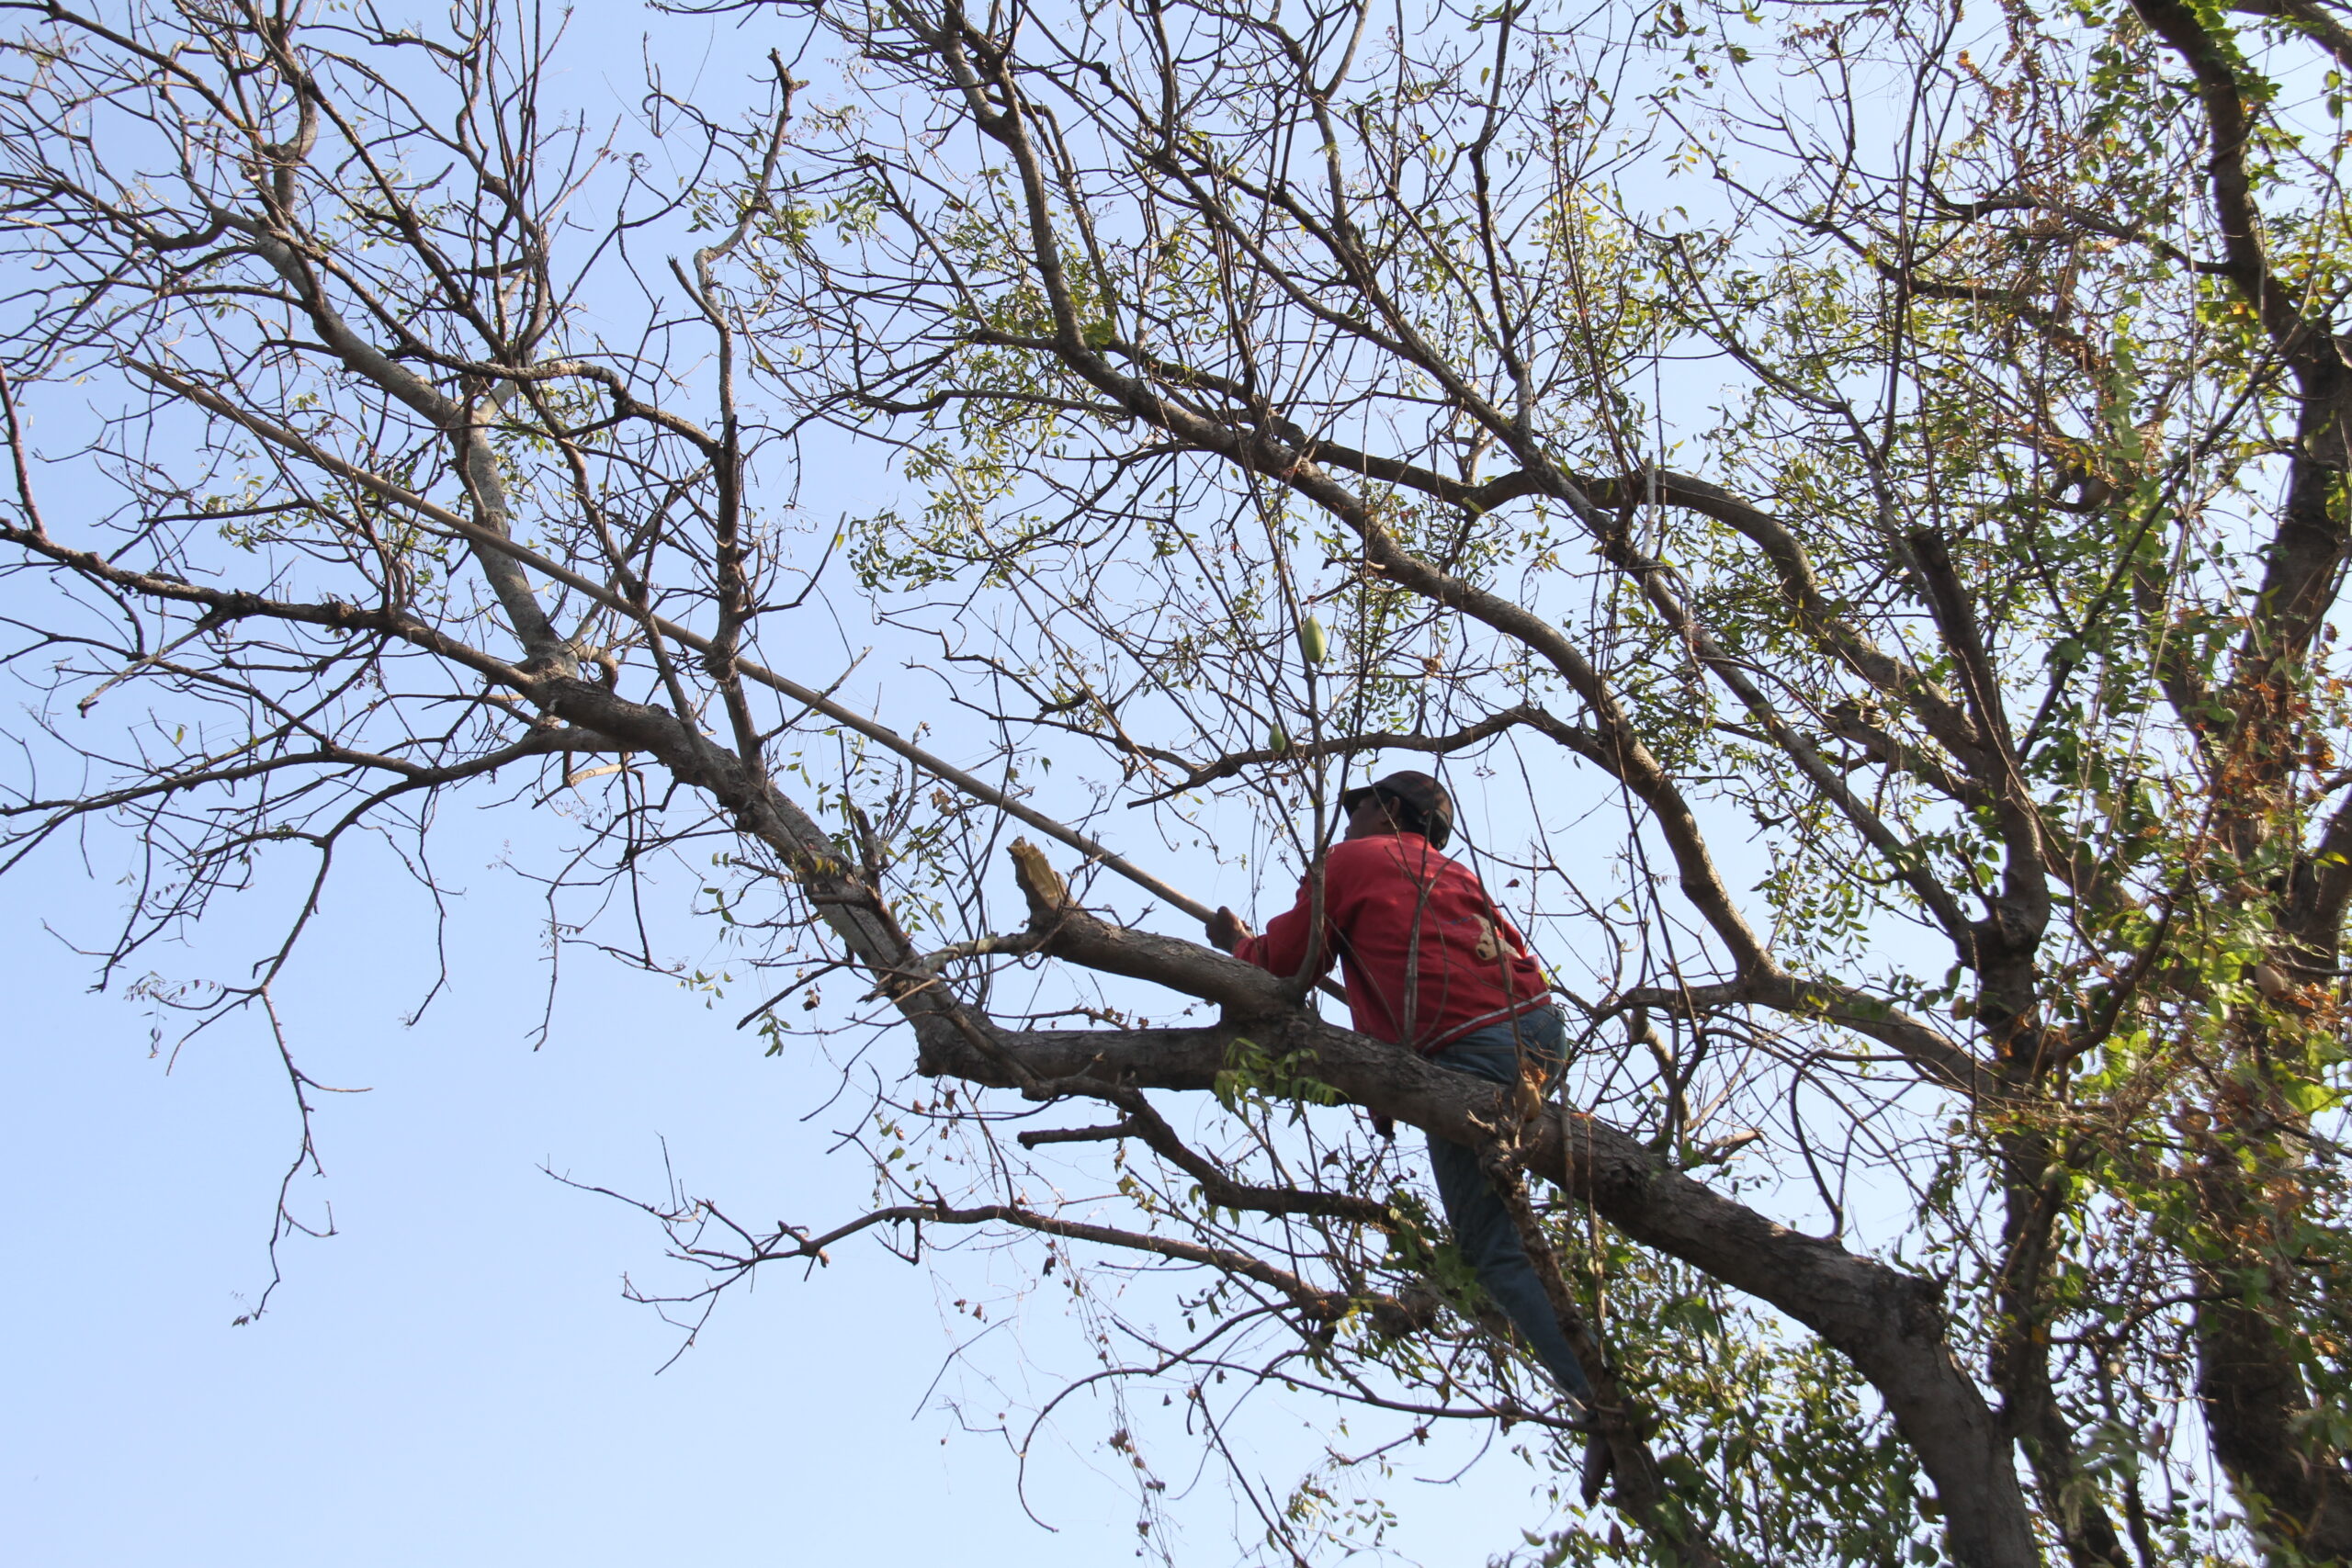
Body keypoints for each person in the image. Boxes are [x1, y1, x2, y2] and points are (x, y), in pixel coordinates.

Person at [1205, 771, 1598, 1422]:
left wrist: (1236, 945)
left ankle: (1597, 1400)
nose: (1346, 822)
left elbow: (1283, 965)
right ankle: (1584, 1368)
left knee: (1490, 1247)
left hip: (1471, 1045)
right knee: (1500, 1202)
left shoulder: (1352, 860)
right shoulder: (1449, 871)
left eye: (1357, 807)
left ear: (1389, 809)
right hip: (1540, 1029)